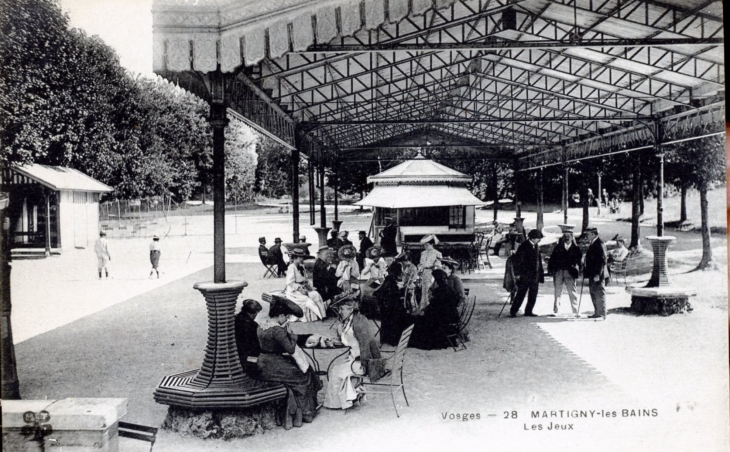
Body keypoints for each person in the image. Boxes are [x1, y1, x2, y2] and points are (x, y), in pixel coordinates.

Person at [257, 296, 322, 428]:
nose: (286, 319)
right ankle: (306, 412)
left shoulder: (262, 326)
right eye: (286, 317)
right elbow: (291, 349)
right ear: (280, 315)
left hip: (263, 361)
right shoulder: (278, 330)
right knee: (304, 375)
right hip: (274, 364)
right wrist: (292, 336)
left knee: (298, 370)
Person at [323, 298, 383, 410]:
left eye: (342, 309)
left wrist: (364, 365)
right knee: (336, 368)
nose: (340, 311)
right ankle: (346, 399)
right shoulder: (351, 320)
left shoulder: (359, 323)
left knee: (335, 371)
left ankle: (338, 403)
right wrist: (338, 335)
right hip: (353, 358)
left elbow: (365, 346)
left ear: (351, 310)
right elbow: (348, 341)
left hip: (362, 362)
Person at [408, 269, 460, 350]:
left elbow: (434, 307)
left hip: (444, 318)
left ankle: (420, 341)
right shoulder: (449, 289)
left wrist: (424, 311)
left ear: (437, 280)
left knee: (420, 320)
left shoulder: (439, 291)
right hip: (452, 316)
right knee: (423, 318)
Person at [509, 229, 544, 318]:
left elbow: (538, 261)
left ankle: (529, 311)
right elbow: (517, 261)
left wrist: (540, 274)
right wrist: (517, 274)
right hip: (525, 275)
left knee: (533, 294)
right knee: (521, 294)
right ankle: (513, 311)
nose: (539, 240)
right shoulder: (524, 246)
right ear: (532, 238)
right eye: (538, 238)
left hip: (535, 275)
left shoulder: (536, 246)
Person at [374, 262, 411, 346]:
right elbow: (394, 295)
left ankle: (386, 339)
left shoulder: (389, 279)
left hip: (385, 307)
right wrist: (403, 291)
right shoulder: (391, 280)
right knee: (403, 313)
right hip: (390, 308)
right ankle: (394, 339)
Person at [547, 228, 582, 317]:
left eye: (569, 236)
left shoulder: (576, 248)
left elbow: (579, 261)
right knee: (557, 292)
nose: (567, 237)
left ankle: (575, 311)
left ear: (572, 237)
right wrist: (551, 270)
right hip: (558, 272)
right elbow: (552, 260)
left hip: (570, 272)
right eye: (565, 236)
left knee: (572, 292)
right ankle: (556, 311)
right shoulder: (558, 247)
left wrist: (579, 270)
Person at [285, 248, 326, 321]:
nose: (302, 259)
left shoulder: (301, 267)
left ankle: (322, 315)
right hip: (294, 293)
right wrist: (300, 289)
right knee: (310, 298)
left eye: (302, 257)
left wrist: (311, 288)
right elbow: (290, 282)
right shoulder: (291, 267)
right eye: (300, 257)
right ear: (295, 258)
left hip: (302, 289)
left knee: (316, 293)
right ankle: (319, 315)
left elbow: (305, 280)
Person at [584, 227, 609, 320]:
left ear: (594, 234)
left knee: (599, 293)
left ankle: (602, 314)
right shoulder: (593, 243)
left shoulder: (599, 243)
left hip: (598, 274)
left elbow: (602, 261)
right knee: (593, 292)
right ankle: (597, 312)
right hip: (592, 273)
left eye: (588, 234)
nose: (587, 236)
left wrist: (598, 274)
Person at [234, 299, 262, 378]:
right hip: (245, 357)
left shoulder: (235, 318)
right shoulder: (252, 325)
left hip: (235, 353)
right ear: (254, 312)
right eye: (257, 313)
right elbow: (255, 345)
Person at [417, 234, 442, 314]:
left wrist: (432, 267)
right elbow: (421, 263)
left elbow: (438, 265)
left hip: (432, 274)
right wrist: (420, 269)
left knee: (430, 290)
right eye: (424, 245)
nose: (425, 246)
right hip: (424, 273)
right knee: (423, 290)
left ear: (432, 244)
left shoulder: (437, 253)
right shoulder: (423, 253)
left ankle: (430, 310)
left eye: (427, 245)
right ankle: (423, 309)